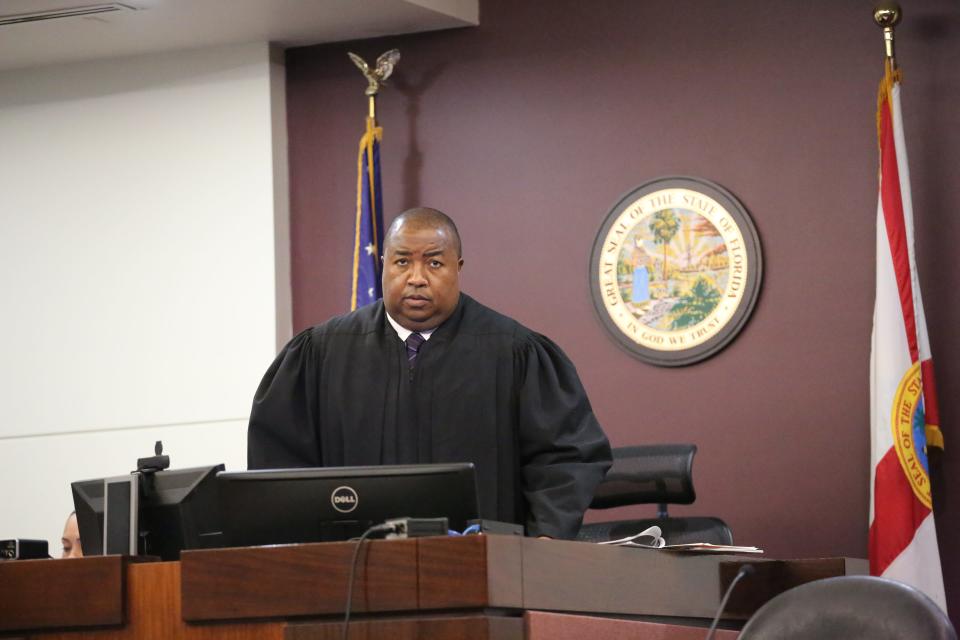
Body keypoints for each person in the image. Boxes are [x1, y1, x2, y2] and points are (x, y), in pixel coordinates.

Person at [248, 207, 611, 539]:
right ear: (384, 265)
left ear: (458, 268)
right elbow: (279, 471)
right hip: (348, 576)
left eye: (434, 264)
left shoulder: (514, 352)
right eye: (402, 262)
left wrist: (543, 540)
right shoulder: (321, 355)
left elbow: (566, 458)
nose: (417, 278)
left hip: (485, 573)